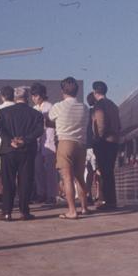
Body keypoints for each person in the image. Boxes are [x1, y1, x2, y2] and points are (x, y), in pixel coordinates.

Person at [0, 86, 44, 221]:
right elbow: (39, 131)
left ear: (15, 97)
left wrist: (10, 140)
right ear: (27, 97)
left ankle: (6, 212)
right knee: (25, 181)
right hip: (27, 150)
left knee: (8, 181)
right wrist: (24, 140)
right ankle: (24, 211)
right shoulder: (36, 114)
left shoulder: (4, 112)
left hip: (8, 150)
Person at [48, 77, 90, 219]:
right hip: (81, 144)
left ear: (62, 91)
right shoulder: (84, 107)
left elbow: (51, 118)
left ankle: (72, 211)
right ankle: (84, 207)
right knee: (80, 178)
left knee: (67, 178)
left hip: (65, 143)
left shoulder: (58, 106)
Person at [90, 80, 121, 211]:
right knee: (109, 172)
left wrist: (97, 139)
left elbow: (100, 124)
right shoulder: (113, 105)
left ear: (95, 92)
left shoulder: (99, 106)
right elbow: (119, 124)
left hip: (104, 142)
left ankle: (108, 202)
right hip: (114, 141)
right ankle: (111, 200)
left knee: (105, 172)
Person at [30, 82, 58, 205]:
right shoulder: (33, 109)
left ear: (42, 95)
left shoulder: (50, 107)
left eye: (36, 95)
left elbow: (55, 125)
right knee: (38, 169)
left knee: (50, 170)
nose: (34, 98)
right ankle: (42, 193)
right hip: (36, 143)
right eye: (32, 96)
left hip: (49, 141)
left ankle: (52, 195)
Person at [0, 86, 16, 200]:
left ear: (2, 96)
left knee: (1, 170)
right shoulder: (17, 107)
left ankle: (1, 192)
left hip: (1, 142)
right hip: (16, 142)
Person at [84, 91, 99, 205]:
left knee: (88, 171)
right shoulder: (96, 112)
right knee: (97, 171)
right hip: (95, 146)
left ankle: (88, 193)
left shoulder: (86, 113)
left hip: (86, 145)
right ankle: (98, 194)